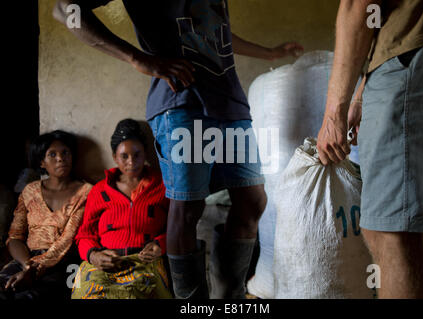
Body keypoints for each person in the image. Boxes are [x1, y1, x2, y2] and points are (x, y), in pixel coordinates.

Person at [53, 0, 303, 299]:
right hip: (183, 101)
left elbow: (216, 34)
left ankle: (229, 299)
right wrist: (137, 58)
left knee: (252, 200)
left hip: (231, 104)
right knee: (187, 208)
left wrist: (270, 53)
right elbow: (65, 8)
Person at [316, 0, 423, 298]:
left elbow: (358, 5)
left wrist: (332, 115)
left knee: (392, 231)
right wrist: (364, 89)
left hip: (415, 53)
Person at [72, 119, 172, 299]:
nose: (131, 162)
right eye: (124, 156)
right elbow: (84, 235)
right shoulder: (100, 190)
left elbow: (175, 229)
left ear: (146, 154)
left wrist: (160, 244)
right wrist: (93, 255)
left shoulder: (163, 186)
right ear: (114, 157)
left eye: (137, 154)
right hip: (104, 262)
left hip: (144, 262)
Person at [0, 130, 92, 300]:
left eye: (65, 153)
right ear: (42, 162)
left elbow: (67, 241)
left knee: (31, 296)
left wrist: (33, 271)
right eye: (52, 154)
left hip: (64, 263)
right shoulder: (30, 191)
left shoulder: (86, 192)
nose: (60, 158)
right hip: (26, 259)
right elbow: (14, 236)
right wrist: (26, 266)